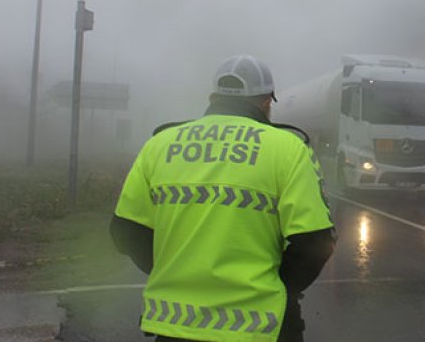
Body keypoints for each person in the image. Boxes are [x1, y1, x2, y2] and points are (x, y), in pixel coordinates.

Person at [110, 54, 336, 342]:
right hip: (260, 328)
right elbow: (316, 240)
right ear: (267, 101)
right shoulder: (288, 149)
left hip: (176, 326)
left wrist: (171, 268)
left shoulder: (159, 145)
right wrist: (279, 287)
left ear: (212, 97)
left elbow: (124, 231)